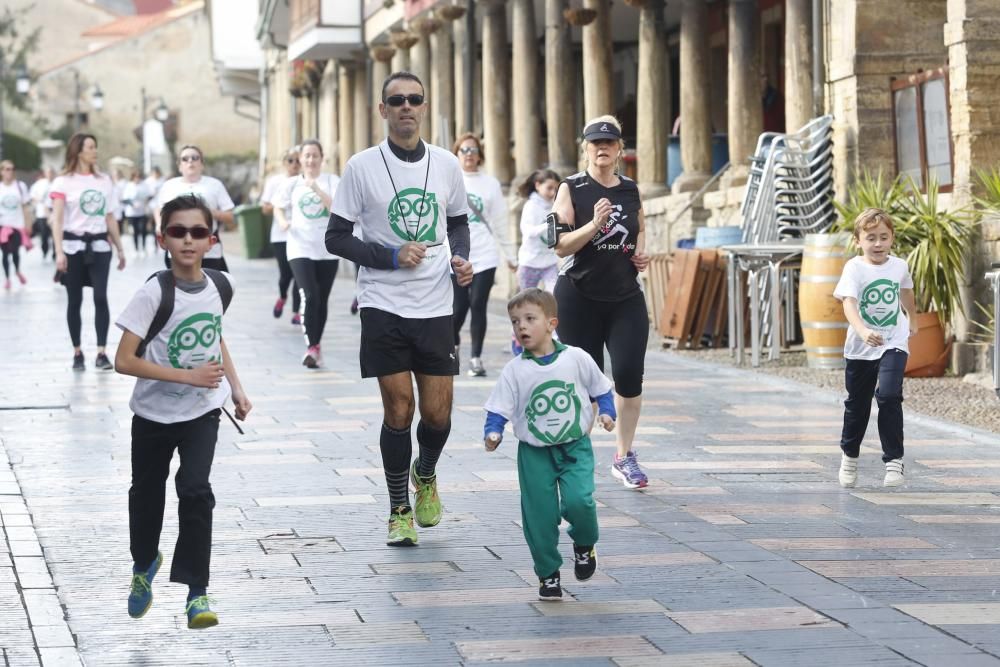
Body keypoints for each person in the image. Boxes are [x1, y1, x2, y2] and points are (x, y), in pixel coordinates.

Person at [326, 70, 472, 547]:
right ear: (382, 110)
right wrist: (390, 256)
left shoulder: (448, 165)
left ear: (424, 107)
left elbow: (458, 224)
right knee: (399, 410)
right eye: (397, 100)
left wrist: (460, 258)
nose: (406, 106)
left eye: (414, 99)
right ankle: (397, 510)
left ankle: (424, 472)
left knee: (437, 415)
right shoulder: (361, 166)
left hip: (434, 304)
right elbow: (336, 237)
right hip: (382, 303)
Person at [114, 194, 251, 630]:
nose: (188, 240)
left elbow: (214, 337)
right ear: (163, 239)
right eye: (178, 232)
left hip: (201, 412)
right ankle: (144, 563)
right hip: (152, 415)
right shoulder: (153, 292)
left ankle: (197, 592)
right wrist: (185, 375)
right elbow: (123, 360)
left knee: (195, 490)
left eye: (197, 232)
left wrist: (236, 387)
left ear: (211, 240)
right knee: (147, 494)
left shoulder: (220, 286)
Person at [483, 288, 616, 601]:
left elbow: (602, 389)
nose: (522, 327)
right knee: (539, 516)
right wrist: (493, 431)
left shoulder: (577, 358)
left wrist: (607, 412)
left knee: (580, 501)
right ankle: (548, 574)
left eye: (530, 319)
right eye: (515, 322)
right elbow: (498, 407)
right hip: (534, 454)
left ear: (552, 323)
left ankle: (584, 545)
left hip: (575, 448)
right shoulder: (515, 370)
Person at [550, 115, 652, 490]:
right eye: (596, 143)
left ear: (620, 148)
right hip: (578, 296)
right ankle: (574, 456)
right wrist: (593, 225)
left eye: (609, 143)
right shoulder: (571, 188)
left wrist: (641, 253)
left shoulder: (630, 189)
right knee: (581, 382)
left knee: (628, 375)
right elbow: (560, 244)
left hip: (624, 296)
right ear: (586, 148)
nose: (603, 148)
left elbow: (640, 227)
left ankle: (624, 456)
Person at [833, 207, 917, 488]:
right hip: (861, 345)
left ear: (892, 238)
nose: (878, 243)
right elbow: (848, 302)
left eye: (883, 237)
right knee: (857, 406)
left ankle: (894, 462)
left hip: (894, 340)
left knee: (889, 395)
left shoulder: (900, 266)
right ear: (858, 240)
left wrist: (913, 320)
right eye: (871, 238)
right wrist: (862, 330)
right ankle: (849, 456)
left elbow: (905, 291)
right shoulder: (854, 268)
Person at [50, 133, 127, 371]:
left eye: (95, 146)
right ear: (78, 151)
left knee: (101, 297)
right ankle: (77, 352)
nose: (95, 151)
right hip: (73, 248)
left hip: (100, 248)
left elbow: (110, 216)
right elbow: (57, 220)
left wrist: (120, 248)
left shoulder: (104, 181)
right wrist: (59, 252)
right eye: (91, 147)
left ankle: (102, 352)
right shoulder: (63, 182)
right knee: (75, 300)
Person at [273, 140, 340, 368]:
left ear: (322, 158)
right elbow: (277, 206)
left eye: (315, 156)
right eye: (307, 156)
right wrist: (282, 221)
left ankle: (317, 344)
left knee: (321, 299)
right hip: (299, 247)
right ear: (300, 159)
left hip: (327, 249)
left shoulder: (332, 181)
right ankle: (311, 346)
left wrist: (317, 189)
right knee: (309, 295)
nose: (310, 160)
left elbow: (337, 210)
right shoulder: (291, 184)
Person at [452, 132, 510, 377]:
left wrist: (511, 255)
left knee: (478, 304)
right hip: (456, 255)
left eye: (473, 150)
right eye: (464, 150)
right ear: (456, 154)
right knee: (457, 308)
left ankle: (476, 357)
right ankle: (452, 349)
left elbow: (500, 220)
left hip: (485, 255)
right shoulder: (450, 181)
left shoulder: (490, 184)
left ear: (480, 155)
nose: (468, 155)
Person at [154, 145, 235, 271]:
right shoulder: (169, 186)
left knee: (211, 286)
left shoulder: (215, 185)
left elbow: (230, 216)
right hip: (177, 246)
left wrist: (208, 212)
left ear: (202, 164)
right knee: (180, 287)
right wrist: (159, 225)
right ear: (179, 166)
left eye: (195, 158)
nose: (190, 161)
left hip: (208, 248)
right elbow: (159, 208)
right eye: (185, 159)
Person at [260, 146, 302, 324]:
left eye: (297, 160)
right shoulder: (274, 181)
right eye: (290, 161)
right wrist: (281, 206)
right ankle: (282, 296)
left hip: (300, 234)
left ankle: (296, 312)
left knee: (299, 272)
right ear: (284, 163)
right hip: (280, 235)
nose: (294, 164)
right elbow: (265, 208)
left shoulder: (305, 181)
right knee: (286, 273)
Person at [516, 169, 561, 292]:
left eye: (556, 189)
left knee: (555, 296)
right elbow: (528, 231)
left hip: (549, 262)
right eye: (549, 188)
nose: (553, 192)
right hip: (529, 263)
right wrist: (549, 224)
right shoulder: (530, 206)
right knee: (526, 300)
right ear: (537, 185)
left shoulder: (555, 206)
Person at [0, 160, 32, 289]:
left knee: (15, 251)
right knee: (5, 253)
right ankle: (7, 278)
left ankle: (17, 270)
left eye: (12, 169)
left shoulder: (20, 186)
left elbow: (25, 207)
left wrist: (28, 224)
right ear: (1, 171)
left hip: (17, 225)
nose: (10, 171)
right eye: (7, 169)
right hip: (3, 225)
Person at [123, 171, 153, 257]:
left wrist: (146, 200)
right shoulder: (129, 185)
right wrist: (132, 204)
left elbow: (149, 196)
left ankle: (143, 248)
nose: (137, 179)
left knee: (143, 229)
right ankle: (136, 249)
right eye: (135, 177)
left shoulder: (144, 185)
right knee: (135, 231)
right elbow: (125, 199)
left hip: (142, 211)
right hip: (132, 213)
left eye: (139, 177)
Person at [29, 167, 54, 260]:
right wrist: (38, 200)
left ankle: (55, 254)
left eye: (51, 172)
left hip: (53, 214)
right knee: (44, 235)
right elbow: (32, 196)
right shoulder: (39, 184)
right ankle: (45, 250)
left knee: (55, 234)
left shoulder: (56, 183)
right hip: (42, 214)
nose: (50, 174)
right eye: (48, 172)